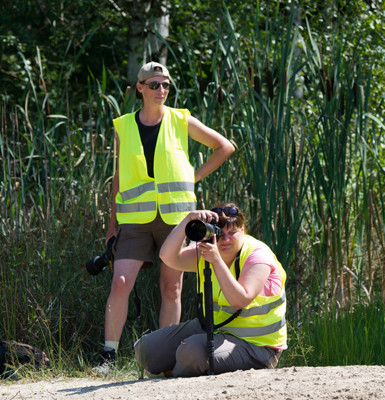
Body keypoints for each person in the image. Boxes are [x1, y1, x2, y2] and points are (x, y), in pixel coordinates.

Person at [97, 62, 235, 369]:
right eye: (155, 84)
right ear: (140, 89)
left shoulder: (181, 119)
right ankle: (108, 357)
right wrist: (112, 223)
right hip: (134, 219)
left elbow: (224, 147)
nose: (162, 90)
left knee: (171, 287)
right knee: (120, 282)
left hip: (177, 219)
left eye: (167, 85)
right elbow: (118, 177)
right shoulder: (123, 126)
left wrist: (193, 178)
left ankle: (161, 356)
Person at [134, 203, 287, 377]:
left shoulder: (258, 256)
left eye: (233, 233)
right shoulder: (207, 251)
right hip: (215, 329)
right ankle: (179, 369)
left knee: (190, 353)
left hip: (257, 346)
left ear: (243, 229)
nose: (226, 239)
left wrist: (216, 261)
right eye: (221, 234)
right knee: (145, 350)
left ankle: (173, 372)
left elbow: (239, 300)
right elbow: (167, 256)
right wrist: (187, 220)